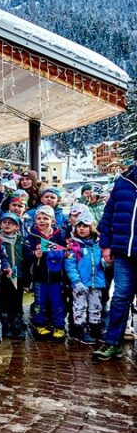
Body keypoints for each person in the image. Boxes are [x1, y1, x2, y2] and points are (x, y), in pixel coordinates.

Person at [93, 151, 137, 361]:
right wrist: (106, 246)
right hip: (123, 253)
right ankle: (112, 343)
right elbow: (108, 215)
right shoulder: (123, 182)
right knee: (120, 298)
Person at [23, 206, 67, 341]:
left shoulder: (59, 234)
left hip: (56, 276)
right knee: (39, 302)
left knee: (57, 302)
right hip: (39, 276)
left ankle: (59, 326)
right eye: (39, 218)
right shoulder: (31, 235)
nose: (42, 221)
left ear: (52, 220)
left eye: (45, 218)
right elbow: (26, 253)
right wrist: (33, 254)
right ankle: (39, 325)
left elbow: (66, 250)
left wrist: (62, 252)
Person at [64, 212, 105, 344]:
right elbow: (70, 266)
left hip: (96, 282)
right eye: (79, 226)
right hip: (80, 283)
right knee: (79, 307)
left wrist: (106, 262)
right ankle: (79, 329)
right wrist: (76, 281)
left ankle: (95, 327)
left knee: (96, 306)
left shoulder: (98, 245)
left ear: (92, 227)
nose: (81, 229)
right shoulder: (74, 246)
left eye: (85, 226)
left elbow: (103, 261)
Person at [0, 213, 26, 339]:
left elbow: (27, 256)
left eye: (11, 223)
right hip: (3, 275)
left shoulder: (22, 240)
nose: (7, 225)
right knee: (3, 300)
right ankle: (6, 325)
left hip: (18, 274)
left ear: (17, 227)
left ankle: (16, 323)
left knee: (16, 300)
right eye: (4, 222)